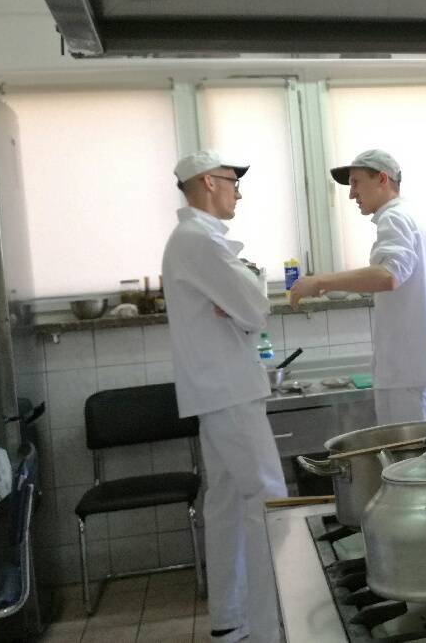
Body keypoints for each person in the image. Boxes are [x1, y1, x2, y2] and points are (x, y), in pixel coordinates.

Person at [163, 150, 287, 643]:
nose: (238, 192)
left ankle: (231, 620)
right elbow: (255, 309)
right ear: (209, 182)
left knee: (229, 504)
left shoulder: (195, 240)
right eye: (233, 182)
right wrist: (248, 293)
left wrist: (239, 301)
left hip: (217, 390)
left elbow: (243, 307)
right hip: (229, 389)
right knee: (268, 499)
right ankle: (268, 627)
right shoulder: (199, 240)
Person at [289, 149, 426, 424]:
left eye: (356, 183)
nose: (351, 194)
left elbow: (389, 275)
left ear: (382, 179)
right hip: (412, 367)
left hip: (409, 370)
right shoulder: (407, 216)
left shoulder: (395, 217)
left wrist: (320, 281)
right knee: (413, 447)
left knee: (417, 448)